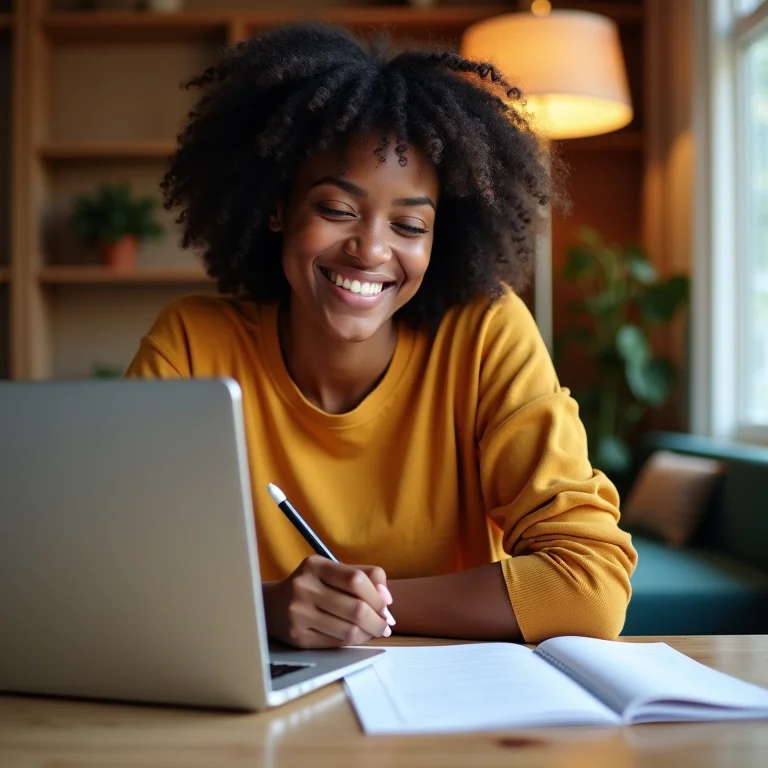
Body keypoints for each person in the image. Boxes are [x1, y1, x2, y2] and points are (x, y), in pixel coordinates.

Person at [126, 22, 637, 649]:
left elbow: (589, 586)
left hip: (455, 716)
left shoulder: (484, 334)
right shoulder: (192, 346)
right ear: (278, 207)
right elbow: (123, 578)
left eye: (409, 225)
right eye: (336, 210)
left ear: (439, 236)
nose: (370, 250)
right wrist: (266, 610)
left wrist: (364, 605)